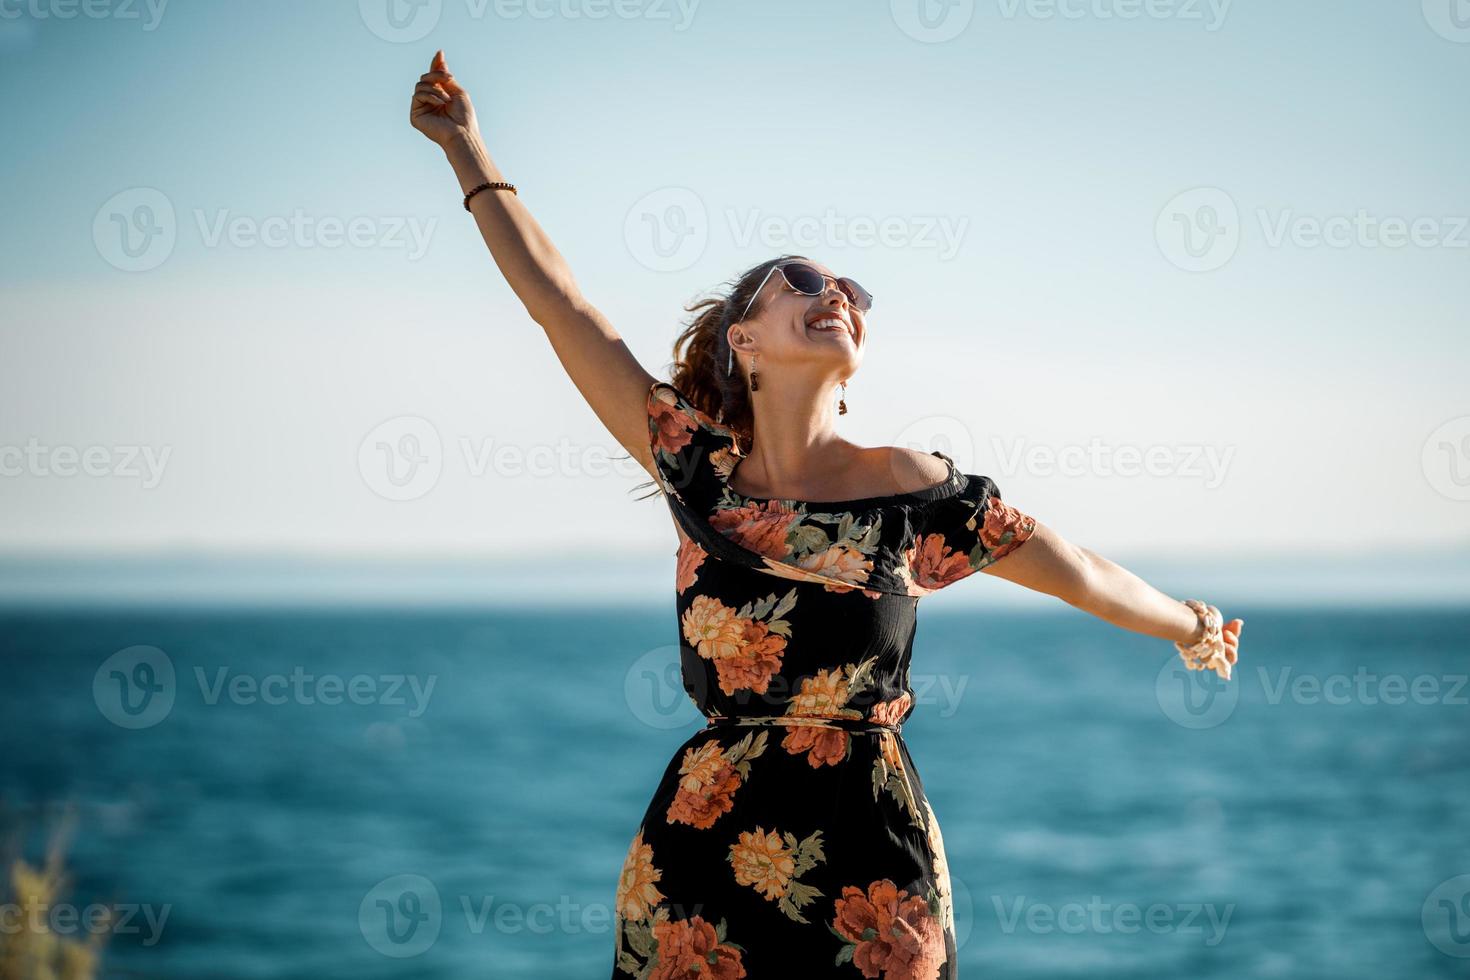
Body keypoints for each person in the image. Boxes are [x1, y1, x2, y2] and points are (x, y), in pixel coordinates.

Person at [410, 50, 1242, 979]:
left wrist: (1192, 626)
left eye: (852, 290)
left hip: (873, 857)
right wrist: (467, 149)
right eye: (802, 279)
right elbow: (561, 307)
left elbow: (1077, 569)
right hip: (703, 850)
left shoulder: (916, 492)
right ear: (745, 341)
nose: (835, 292)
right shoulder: (696, 470)